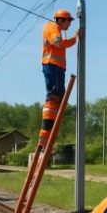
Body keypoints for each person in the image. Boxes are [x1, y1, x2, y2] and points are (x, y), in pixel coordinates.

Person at [37, 9, 81, 149]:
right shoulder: (52, 28)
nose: (69, 24)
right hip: (52, 66)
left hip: (57, 67)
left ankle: (50, 132)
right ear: (61, 20)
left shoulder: (56, 29)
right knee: (53, 98)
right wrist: (75, 38)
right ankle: (44, 134)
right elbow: (58, 43)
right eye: (69, 21)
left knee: (59, 98)